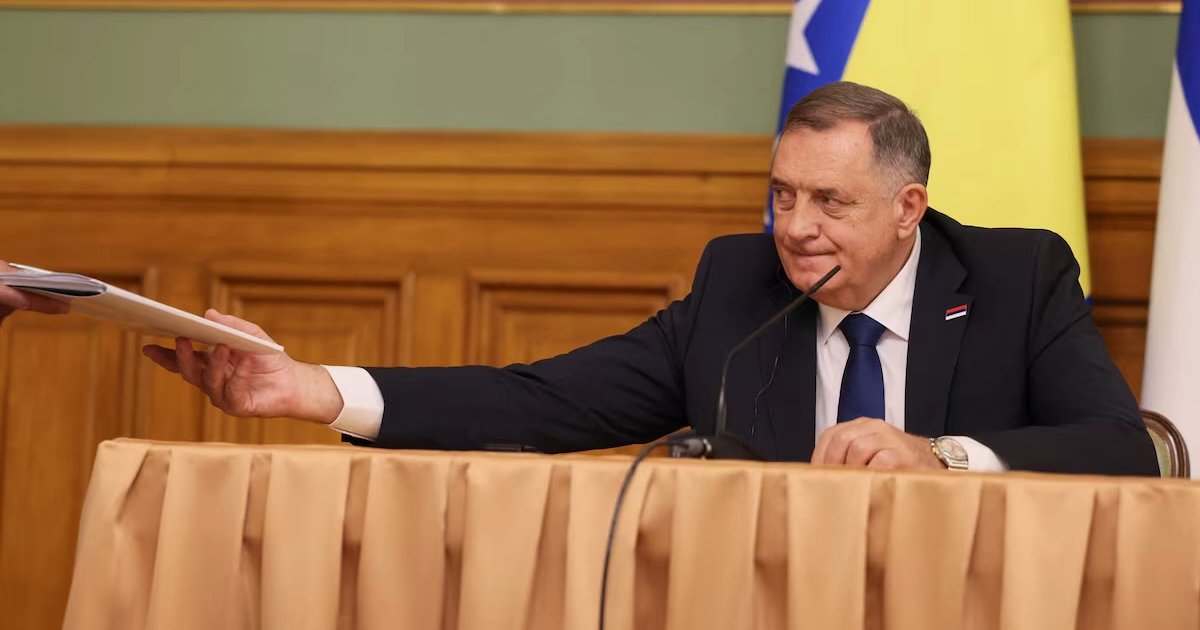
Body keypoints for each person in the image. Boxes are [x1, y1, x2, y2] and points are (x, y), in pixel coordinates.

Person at [3, 82, 1159, 475]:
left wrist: (940, 457)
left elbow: (1128, 447)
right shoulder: (741, 287)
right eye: (781, 195)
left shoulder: (1010, 277)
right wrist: (312, 390)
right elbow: (543, 400)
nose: (793, 230)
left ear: (909, 210)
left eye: (831, 204)